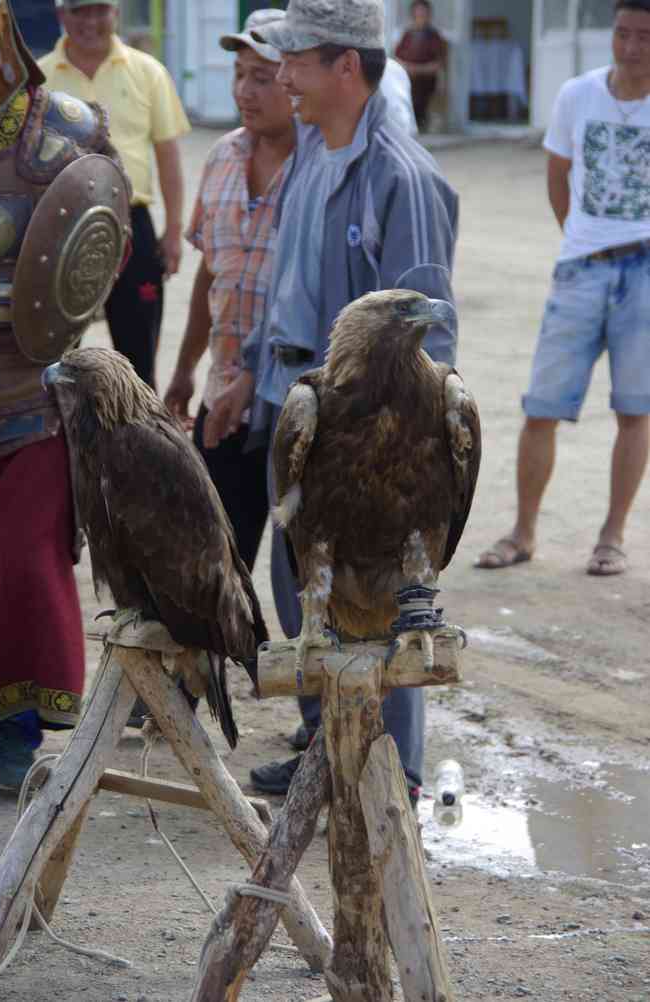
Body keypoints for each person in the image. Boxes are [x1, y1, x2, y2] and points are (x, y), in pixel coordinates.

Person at [204, 0, 459, 802]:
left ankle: (394, 772)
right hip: (292, 403)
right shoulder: (314, 151)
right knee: (302, 591)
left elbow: (428, 336)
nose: (283, 79)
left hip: (368, 437)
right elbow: (289, 287)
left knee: (382, 592)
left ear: (347, 68)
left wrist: (403, 462)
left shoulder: (402, 178)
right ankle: (328, 746)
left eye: (298, 63)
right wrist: (248, 372)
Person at [0, 0, 127, 789]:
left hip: (28, 402)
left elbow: (103, 241)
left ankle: (16, 728)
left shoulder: (67, 131)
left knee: (25, 570)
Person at [477, 0, 650, 578]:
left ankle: (612, 535)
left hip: (645, 272)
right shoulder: (578, 94)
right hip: (580, 267)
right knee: (542, 407)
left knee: (635, 408)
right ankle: (523, 531)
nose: (630, 47)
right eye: (622, 34)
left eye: (644, 37)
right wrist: (578, 238)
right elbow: (557, 174)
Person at [163, 10, 294, 573]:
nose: (245, 91)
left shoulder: (323, 168)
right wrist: (186, 368)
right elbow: (209, 274)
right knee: (218, 566)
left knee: (303, 575)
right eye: (239, 75)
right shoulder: (222, 156)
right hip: (223, 399)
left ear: (296, 80)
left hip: (297, 404)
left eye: (261, 78)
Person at [39, 0, 190, 388]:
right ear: (61, 15)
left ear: (116, 13)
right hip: (57, 231)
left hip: (131, 224)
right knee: (53, 360)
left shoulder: (148, 71)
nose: (90, 21)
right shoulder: (38, 80)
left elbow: (169, 157)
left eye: (99, 10)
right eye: (78, 11)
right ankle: (64, 444)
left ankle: (140, 443)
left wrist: (173, 232)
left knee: (138, 356)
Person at [395, 0, 446, 131]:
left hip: (425, 80)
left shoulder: (434, 36)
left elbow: (438, 64)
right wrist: (406, 67)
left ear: (429, 14)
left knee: (419, 92)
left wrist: (418, 70)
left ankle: (420, 121)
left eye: (423, 11)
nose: (420, 14)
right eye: (418, 11)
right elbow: (396, 58)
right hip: (406, 76)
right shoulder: (407, 34)